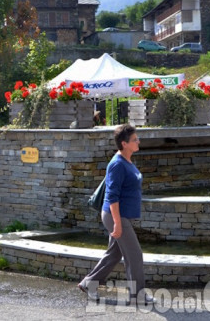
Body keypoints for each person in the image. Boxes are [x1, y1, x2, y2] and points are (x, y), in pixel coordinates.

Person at [77, 124, 153, 305]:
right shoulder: (117, 164)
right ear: (124, 143)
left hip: (122, 216)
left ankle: (89, 283)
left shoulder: (127, 160)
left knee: (114, 254)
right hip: (115, 217)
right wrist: (118, 223)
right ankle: (138, 296)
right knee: (135, 254)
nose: (138, 141)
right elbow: (112, 196)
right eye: (135, 139)